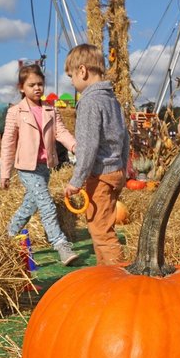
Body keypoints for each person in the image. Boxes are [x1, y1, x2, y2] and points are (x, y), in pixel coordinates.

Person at [1, 64, 79, 266]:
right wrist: (5, 173)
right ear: (21, 87)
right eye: (32, 85)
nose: (37, 88)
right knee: (46, 204)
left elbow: (60, 132)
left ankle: (7, 235)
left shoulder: (50, 110)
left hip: (45, 166)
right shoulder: (15, 112)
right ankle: (60, 244)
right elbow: (8, 142)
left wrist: (74, 146)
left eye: (40, 84)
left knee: (29, 205)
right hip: (26, 167)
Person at [63, 44, 130, 266]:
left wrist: (76, 180)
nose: (72, 82)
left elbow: (87, 145)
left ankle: (118, 280)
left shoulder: (89, 102)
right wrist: (123, 169)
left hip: (100, 174)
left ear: (82, 71)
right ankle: (106, 274)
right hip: (115, 171)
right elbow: (125, 138)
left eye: (71, 76)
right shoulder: (112, 100)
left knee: (102, 232)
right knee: (102, 227)